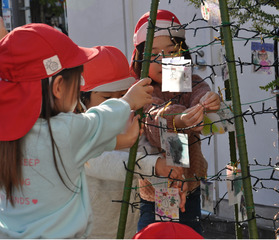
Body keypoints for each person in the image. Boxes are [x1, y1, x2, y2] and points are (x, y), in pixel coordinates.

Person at [0, 23, 154, 238]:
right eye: (77, 82)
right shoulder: (66, 129)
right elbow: (100, 120)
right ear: (59, 87)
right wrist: (128, 101)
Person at [79, 45, 186, 238]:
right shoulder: (78, 129)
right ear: (82, 99)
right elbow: (103, 161)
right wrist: (156, 166)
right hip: (86, 231)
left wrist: (169, 189)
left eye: (123, 96)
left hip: (126, 226)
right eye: (107, 98)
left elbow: (148, 151)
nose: (117, 103)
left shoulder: (130, 121)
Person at [130, 10, 221, 235]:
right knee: (155, 233)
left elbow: (200, 92)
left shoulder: (189, 82)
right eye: (153, 54)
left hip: (190, 184)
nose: (163, 59)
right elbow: (153, 117)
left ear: (183, 53)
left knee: (190, 231)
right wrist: (178, 120)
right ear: (140, 57)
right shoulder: (141, 90)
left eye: (171, 52)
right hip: (157, 187)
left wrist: (207, 101)